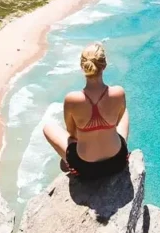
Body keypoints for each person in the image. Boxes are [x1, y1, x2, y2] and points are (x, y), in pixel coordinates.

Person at [43, 42, 130, 180]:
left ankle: (68, 160)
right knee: (124, 112)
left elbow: (72, 134)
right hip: (117, 162)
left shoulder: (72, 99)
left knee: (48, 128)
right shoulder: (118, 93)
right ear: (104, 66)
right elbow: (119, 121)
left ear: (82, 67)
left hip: (85, 168)